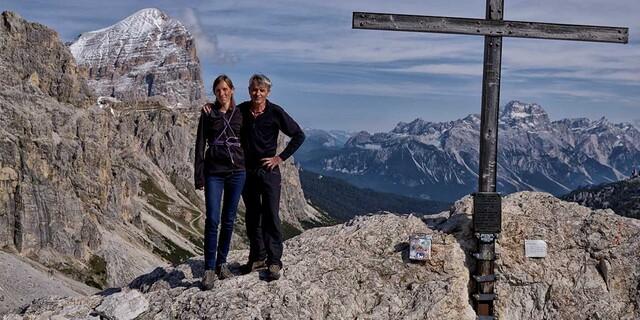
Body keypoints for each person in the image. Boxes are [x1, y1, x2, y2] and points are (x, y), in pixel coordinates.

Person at [203, 74, 305, 281]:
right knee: (252, 216)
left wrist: (280, 158)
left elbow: (299, 135)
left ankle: (274, 261)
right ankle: (257, 257)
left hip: (268, 171)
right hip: (245, 171)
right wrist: (209, 106)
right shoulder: (241, 110)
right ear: (249, 90)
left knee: (271, 215)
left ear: (268, 92)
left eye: (261, 90)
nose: (257, 93)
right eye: (253, 89)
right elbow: (223, 111)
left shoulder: (276, 112)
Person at [194, 75, 246, 290]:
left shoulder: (241, 113)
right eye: (218, 90)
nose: (222, 93)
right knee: (213, 219)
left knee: (229, 219)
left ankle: (222, 264)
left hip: (237, 172)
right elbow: (199, 145)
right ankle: (209, 268)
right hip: (214, 172)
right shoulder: (208, 114)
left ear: (232, 90)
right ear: (214, 93)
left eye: (225, 89)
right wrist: (199, 175)